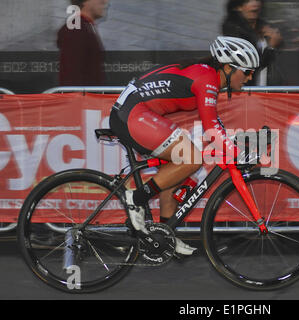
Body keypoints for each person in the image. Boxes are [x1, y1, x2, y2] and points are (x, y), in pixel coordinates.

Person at [109, 36, 259, 256]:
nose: (251, 77)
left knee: (172, 175)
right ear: (228, 67)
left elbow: (214, 121)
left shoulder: (207, 74)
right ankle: (136, 198)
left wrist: (234, 148)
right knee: (191, 158)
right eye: (247, 71)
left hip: (136, 111)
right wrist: (238, 154)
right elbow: (210, 127)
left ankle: (164, 236)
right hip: (132, 114)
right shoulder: (207, 78)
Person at [222, 0, 283, 85]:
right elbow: (249, 63)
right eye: (248, 1)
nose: (255, 4)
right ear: (238, 7)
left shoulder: (263, 26)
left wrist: (277, 38)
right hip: (245, 89)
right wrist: (271, 47)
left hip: (265, 86)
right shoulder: (233, 29)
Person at [57, 0, 108, 86]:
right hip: (83, 97)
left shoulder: (84, 26)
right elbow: (72, 73)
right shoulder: (76, 29)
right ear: (84, 2)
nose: (104, 1)